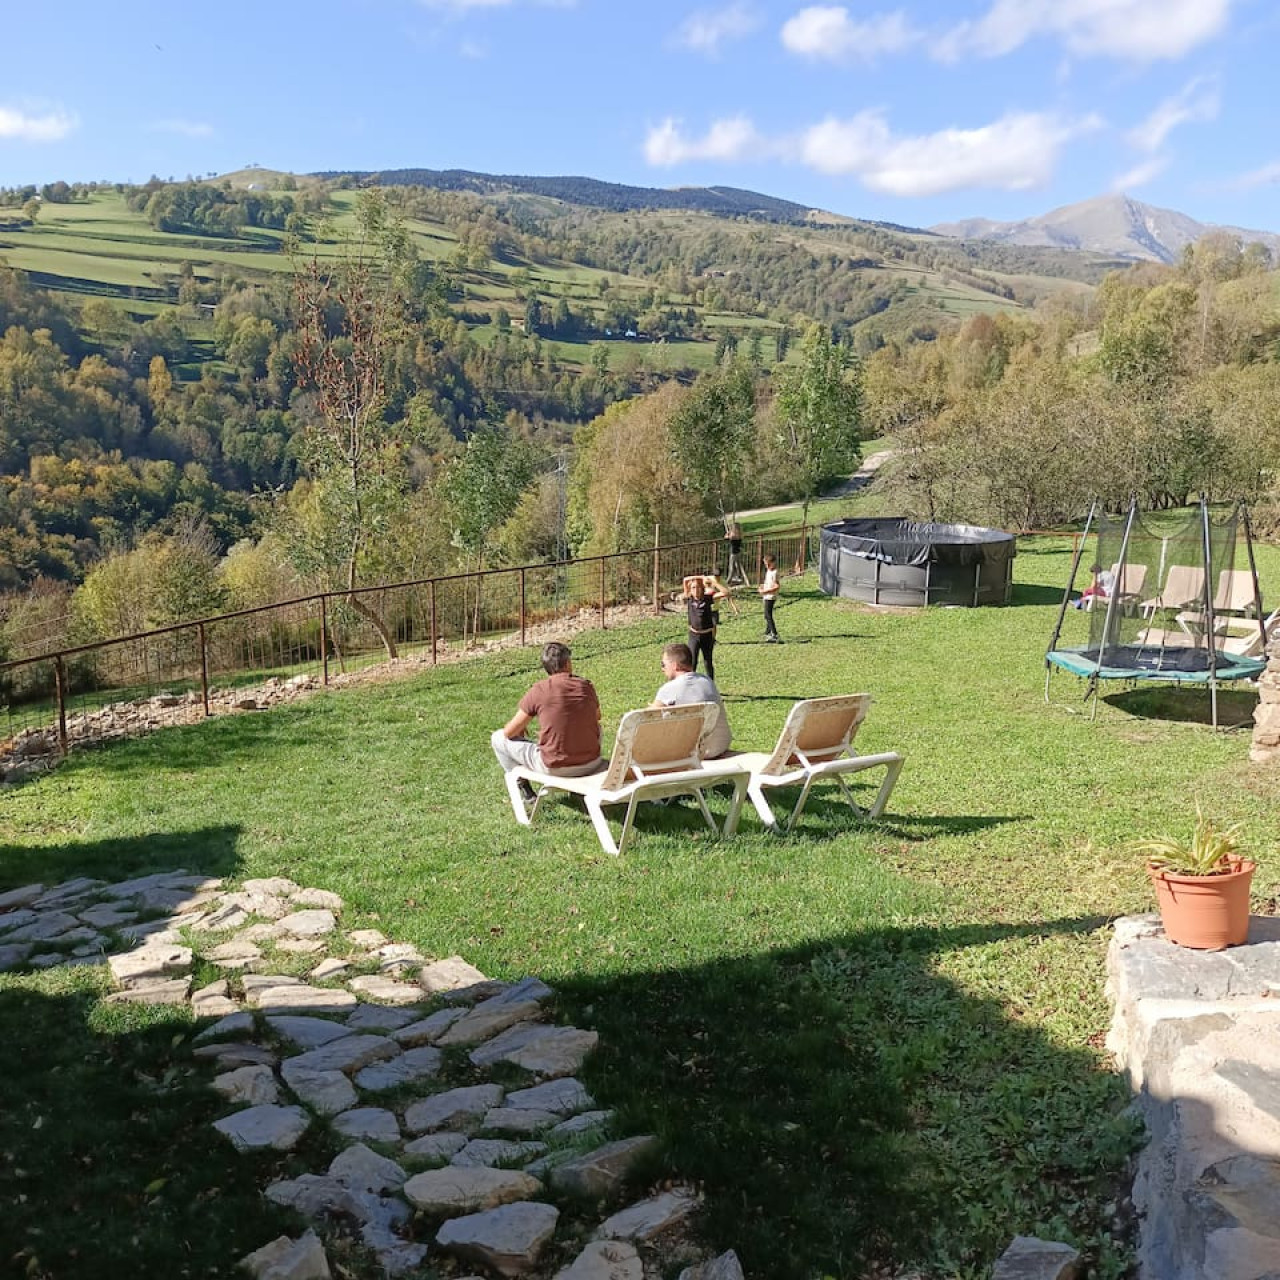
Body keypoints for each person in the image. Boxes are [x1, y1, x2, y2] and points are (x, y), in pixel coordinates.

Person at [490, 641, 604, 804]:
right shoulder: (586, 686)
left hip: (554, 767)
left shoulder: (539, 690)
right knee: (597, 727)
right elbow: (597, 716)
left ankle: (525, 789)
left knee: (498, 738)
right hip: (591, 763)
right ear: (568, 663)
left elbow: (509, 732)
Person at [651, 641, 732, 758]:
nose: (662, 669)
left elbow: (646, 719)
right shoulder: (707, 681)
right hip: (720, 746)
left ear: (675, 665)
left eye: (663, 664)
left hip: (693, 752)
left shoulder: (668, 689)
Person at [682, 574, 728, 681]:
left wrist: (713, 582)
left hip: (707, 636)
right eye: (693, 587)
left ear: (702, 588)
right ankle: (690, 685)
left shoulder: (708, 598)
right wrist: (700, 577)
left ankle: (710, 685)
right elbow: (685, 580)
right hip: (694, 636)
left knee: (708, 662)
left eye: (698, 587)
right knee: (692, 662)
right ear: (690, 590)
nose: (696, 590)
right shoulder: (689, 598)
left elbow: (725, 592)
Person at [759, 554, 781, 642]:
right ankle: (767, 632)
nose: (767, 566)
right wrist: (762, 587)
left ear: (774, 563)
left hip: (770, 596)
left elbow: (777, 586)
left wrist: (766, 591)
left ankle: (774, 634)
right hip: (766, 596)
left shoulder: (775, 572)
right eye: (765, 564)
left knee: (768, 615)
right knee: (766, 615)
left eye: (769, 564)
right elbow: (768, 583)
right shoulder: (768, 571)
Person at [723, 522, 751, 587]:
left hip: (733, 553)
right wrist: (729, 534)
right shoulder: (740, 534)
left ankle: (728, 580)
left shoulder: (733, 535)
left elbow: (726, 537)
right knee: (737, 566)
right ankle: (739, 577)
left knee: (731, 567)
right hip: (738, 552)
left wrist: (727, 534)